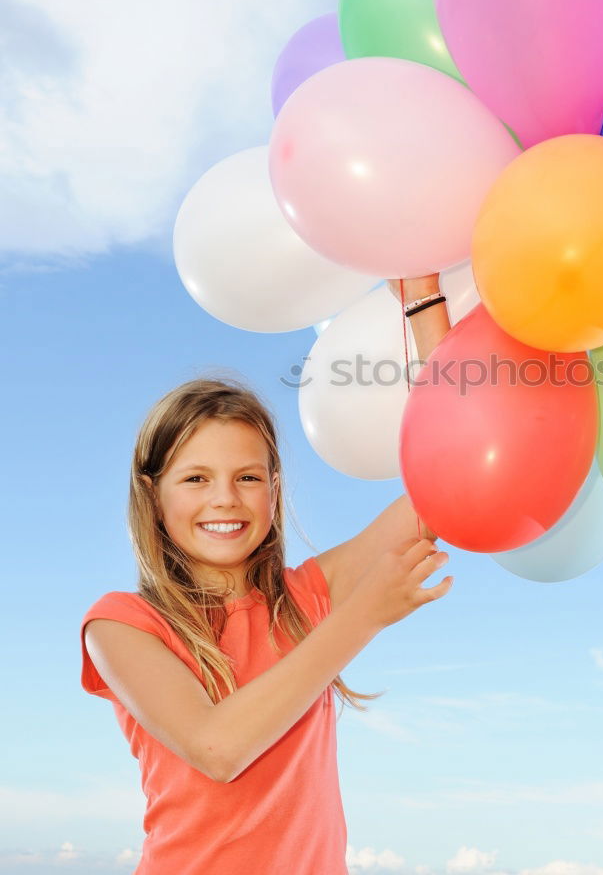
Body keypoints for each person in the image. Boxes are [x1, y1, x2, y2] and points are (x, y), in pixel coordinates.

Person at [80, 274, 452, 874]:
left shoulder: (310, 596)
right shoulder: (120, 625)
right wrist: (363, 616)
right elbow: (216, 747)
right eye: (195, 478)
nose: (225, 499)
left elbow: (450, 476)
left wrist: (425, 304)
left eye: (248, 478)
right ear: (152, 496)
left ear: (274, 492)